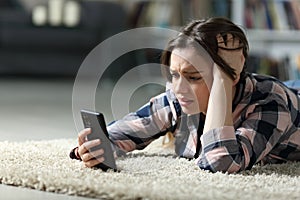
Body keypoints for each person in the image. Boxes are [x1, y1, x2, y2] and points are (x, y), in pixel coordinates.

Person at [70, 17, 300, 173]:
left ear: (231, 76)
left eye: (193, 77)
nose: (178, 88)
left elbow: (219, 162)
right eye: (174, 75)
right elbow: (119, 134)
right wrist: (93, 149)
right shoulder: (177, 97)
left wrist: (222, 80)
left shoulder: (270, 103)